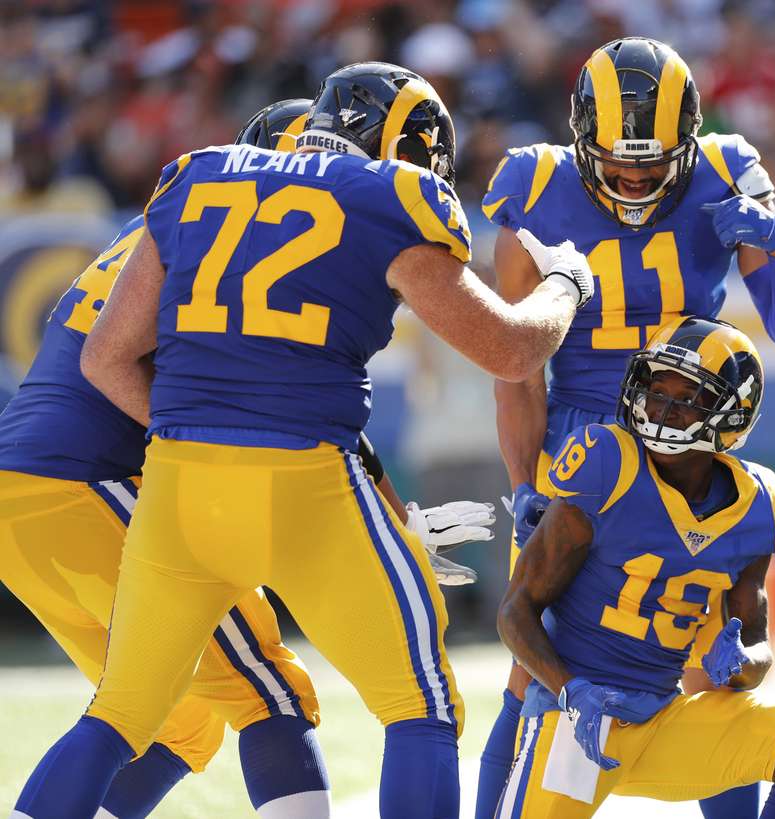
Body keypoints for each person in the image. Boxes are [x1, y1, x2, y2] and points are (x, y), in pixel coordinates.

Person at [12, 61, 593, 819]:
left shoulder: (197, 176)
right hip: (306, 482)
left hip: (179, 488)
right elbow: (514, 351)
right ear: (399, 144)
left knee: (122, 712)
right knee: (420, 705)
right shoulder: (395, 196)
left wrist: (209, 434)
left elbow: (105, 357)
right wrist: (566, 285)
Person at [479, 36, 775, 819]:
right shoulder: (534, 186)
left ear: (688, 141)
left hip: (691, 445)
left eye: (652, 164)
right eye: (619, 164)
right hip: (584, 443)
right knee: (533, 671)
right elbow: (517, 372)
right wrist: (525, 484)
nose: (635, 179)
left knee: (711, 670)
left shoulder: (727, 171)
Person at [495, 316, 775, 818]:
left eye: (689, 397)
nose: (665, 409)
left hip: (662, 716)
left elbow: (757, 646)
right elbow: (515, 611)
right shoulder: (607, 462)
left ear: (731, 412)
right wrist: (571, 689)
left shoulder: (762, 505)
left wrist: (741, 666)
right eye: (657, 391)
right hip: (577, 720)